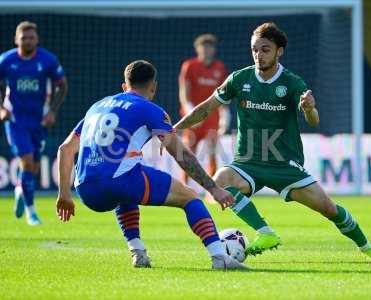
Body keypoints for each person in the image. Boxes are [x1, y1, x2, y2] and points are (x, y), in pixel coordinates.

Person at [174, 23, 371, 262]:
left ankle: (368, 247)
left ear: (278, 51)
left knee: (328, 209)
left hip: (285, 164)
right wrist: (176, 128)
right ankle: (265, 233)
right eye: (255, 49)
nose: (258, 55)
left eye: (265, 50)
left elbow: (313, 121)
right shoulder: (239, 78)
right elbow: (206, 108)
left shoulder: (292, 83)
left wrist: (309, 108)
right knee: (220, 179)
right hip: (248, 162)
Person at [56, 60, 247, 270]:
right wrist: (213, 188)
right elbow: (183, 155)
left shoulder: (96, 107)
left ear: (124, 86)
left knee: (126, 195)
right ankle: (220, 257)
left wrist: (64, 195)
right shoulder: (148, 108)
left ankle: (138, 253)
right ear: (154, 87)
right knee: (190, 198)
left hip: (85, 190)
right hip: (120, 180)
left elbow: (65, 150)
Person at [0, 21, 67, 225]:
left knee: (34, 167)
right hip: (15, 119)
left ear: (36, 39)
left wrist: (52, 112)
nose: (27, 41)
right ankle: (31, 212)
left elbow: (62, 86)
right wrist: (2, 108)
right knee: (27, 161)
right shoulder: (6, 60)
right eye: (24, 37)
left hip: (39, 120)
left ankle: (21, 188)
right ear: (16, 39)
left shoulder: (47, 60)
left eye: (31, 37)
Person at [178, 33, 230, 184]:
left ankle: (212, 189)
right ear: (197, 49)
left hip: (212, 118)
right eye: (204, 47)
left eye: (210, 47)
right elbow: (184, 94)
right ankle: (185, 186)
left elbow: (223, 93)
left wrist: (225, 115)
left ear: (214, 50)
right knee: (189, 153)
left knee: (212, 152)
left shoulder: (220, 68)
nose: (207, 50)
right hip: (193, 118)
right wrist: (190, 113)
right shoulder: (189, 66)